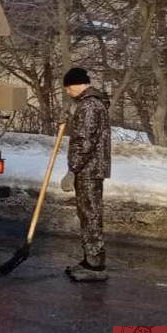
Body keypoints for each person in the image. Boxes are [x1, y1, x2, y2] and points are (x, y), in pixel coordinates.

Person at [60, 67, 111, 282]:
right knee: (88, 214)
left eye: (68, 88)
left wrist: (73, 169)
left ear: (77, 84)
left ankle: (95, 265)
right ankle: (90, 258)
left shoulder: (89, 106)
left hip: (88, 169)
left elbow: (85, 141)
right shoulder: (90, 104)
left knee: (90, 215)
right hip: (90, 168)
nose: (68, 92)